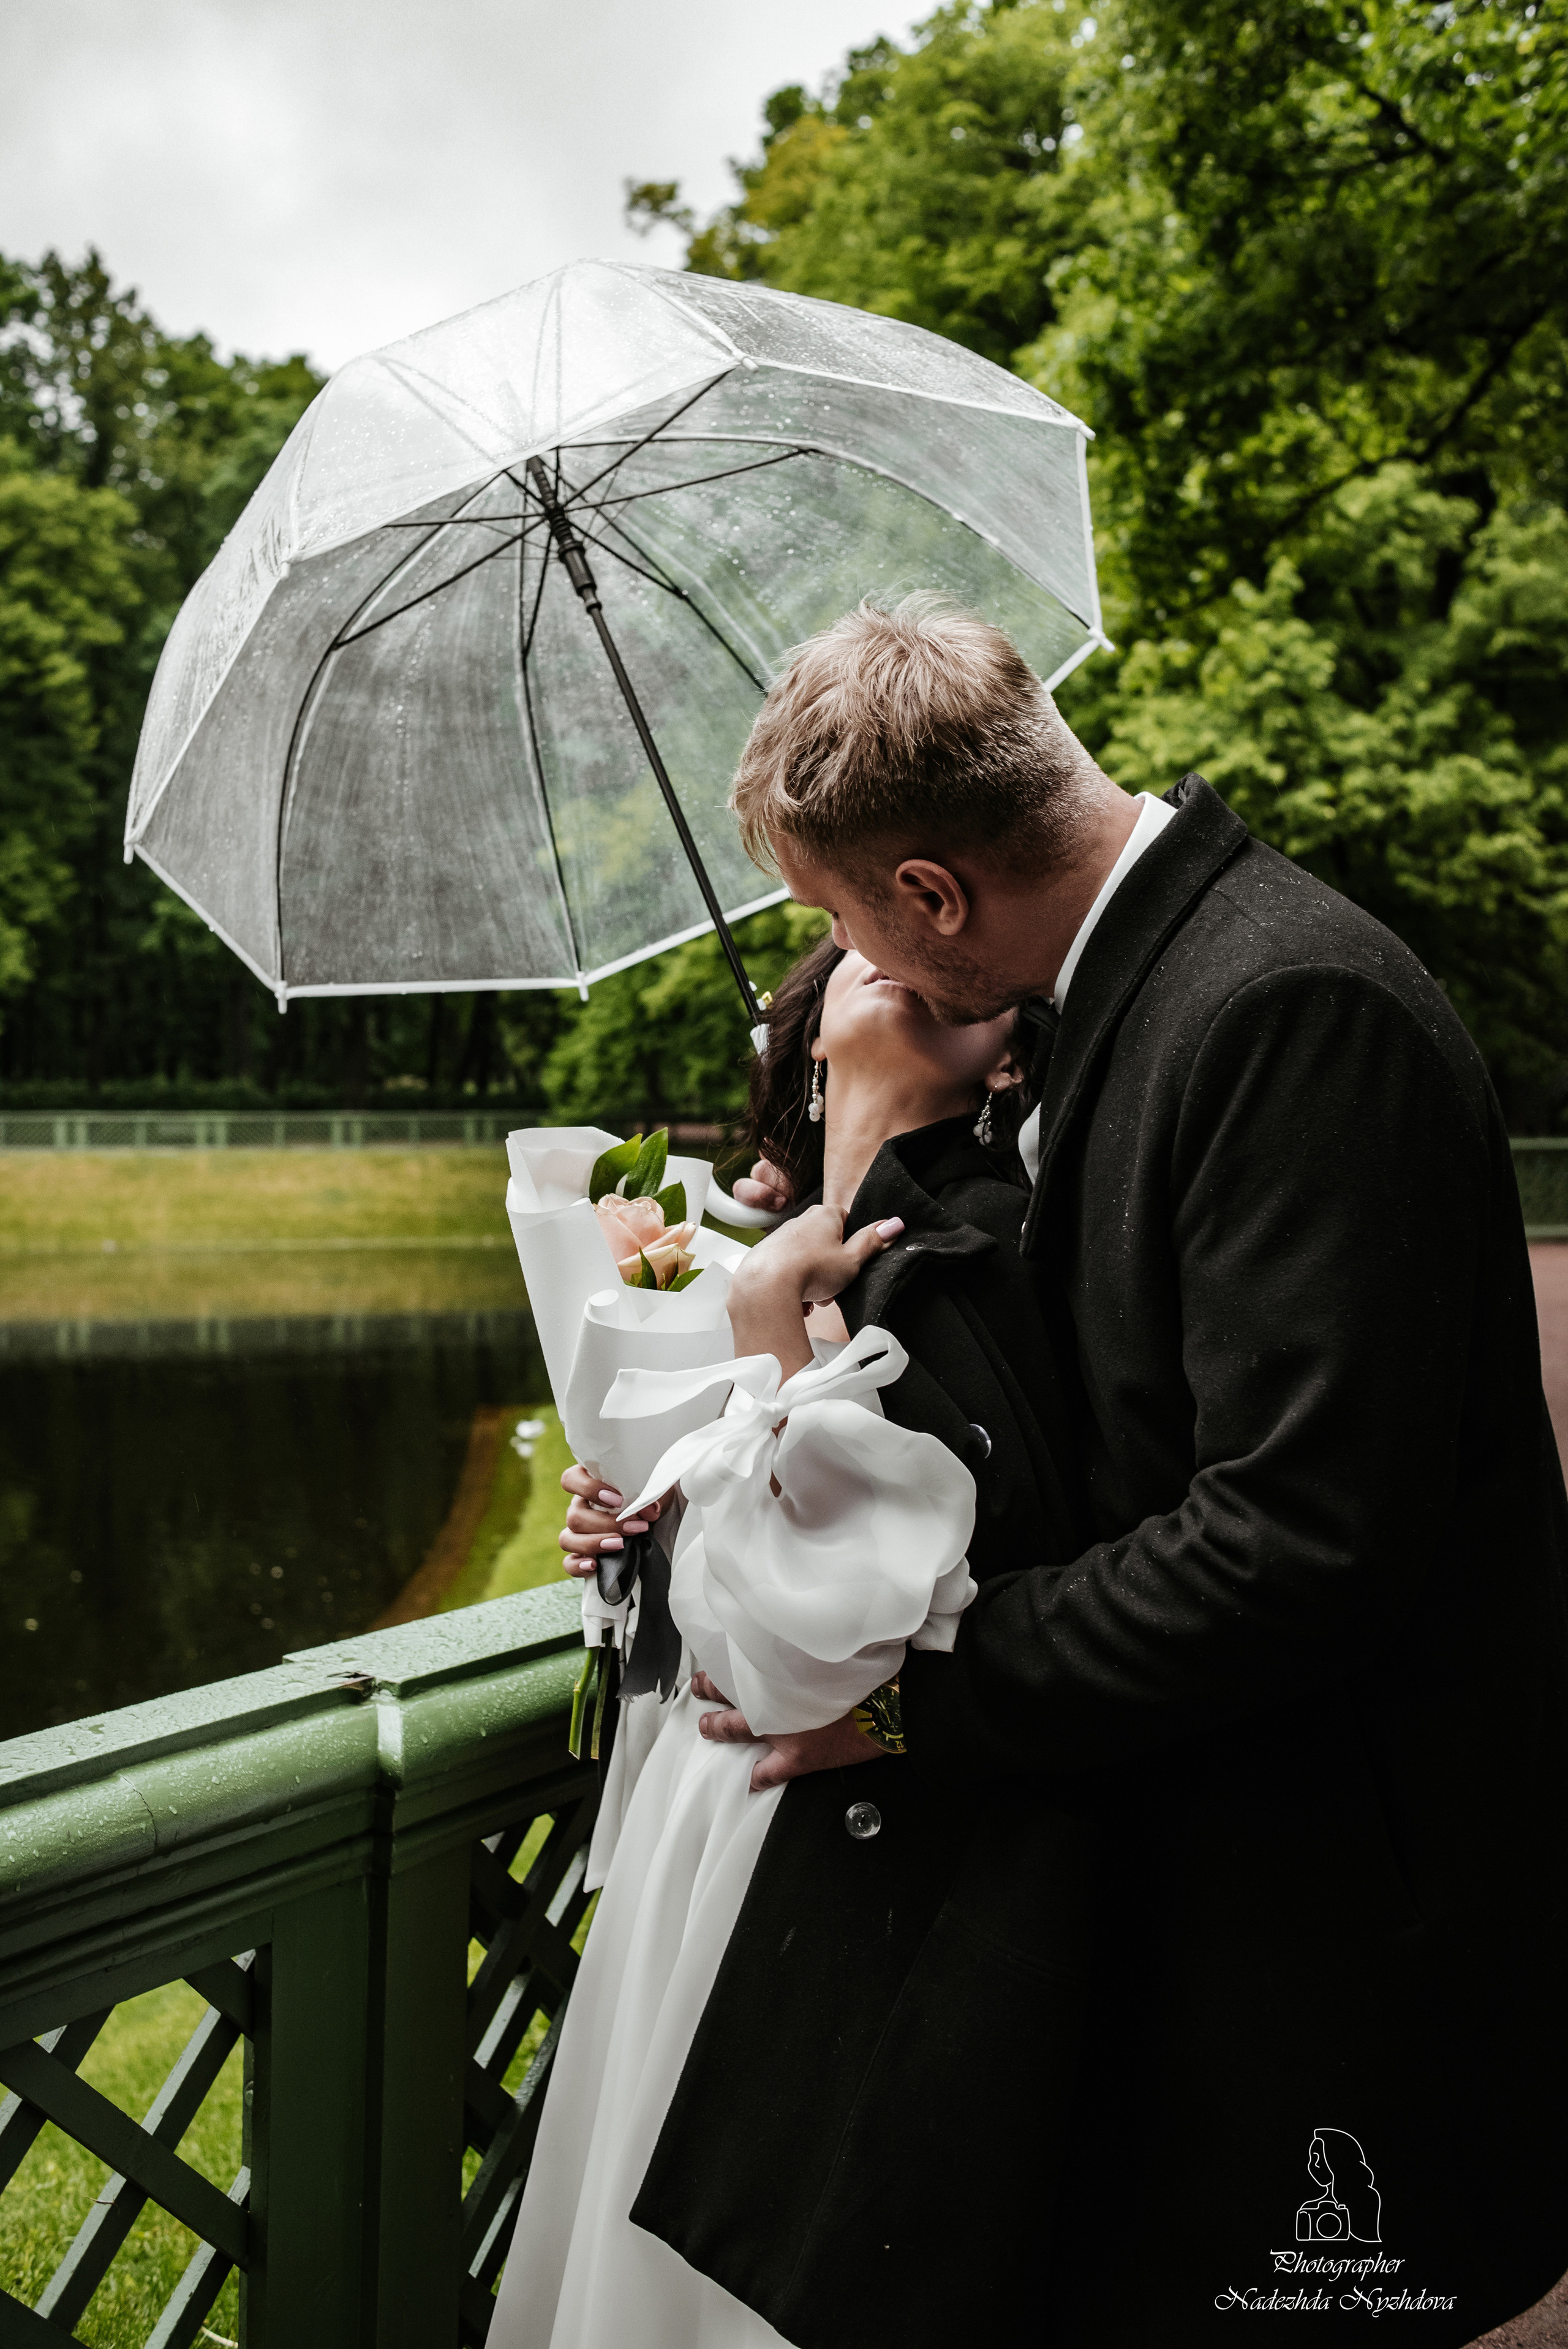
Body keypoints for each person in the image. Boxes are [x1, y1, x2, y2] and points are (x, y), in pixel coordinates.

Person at [621, 597, 1568, 2347]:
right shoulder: (1124, 993)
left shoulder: (1289, 1009)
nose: (853, 971)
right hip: (1195, 1900)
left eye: (842, 921)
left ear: (932, 893)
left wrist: (916, 1703)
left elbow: (1296, 1538)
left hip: (1333, 1936)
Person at [490, 926, 1081, 2349]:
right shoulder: (741, 1266)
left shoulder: (999, 1252)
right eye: (848, 950)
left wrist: (768, 1335)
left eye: (915, 939)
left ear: (1007, 1050)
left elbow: (821, 1650)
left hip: (845, 1803)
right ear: (804, 1043)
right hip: (712, 1804)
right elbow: (721, 1590)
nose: (875, 948)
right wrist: (634, 1534)